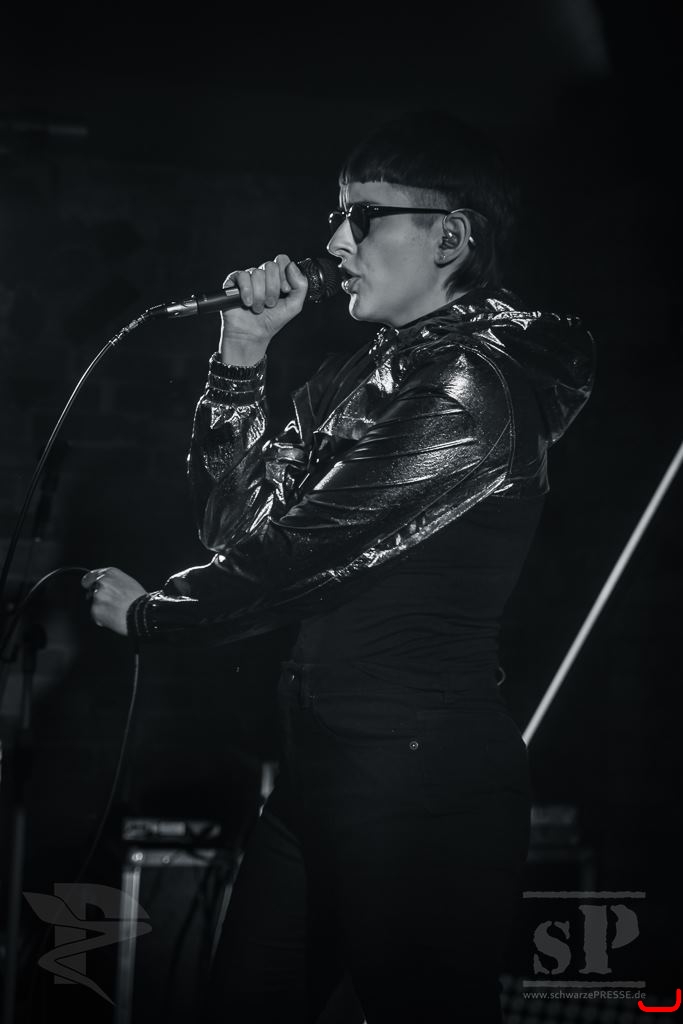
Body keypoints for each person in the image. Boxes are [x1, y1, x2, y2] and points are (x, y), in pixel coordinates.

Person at [81, 109, 595, 1022]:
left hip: (419, 785)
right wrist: (243, 352)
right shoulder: (358, 376)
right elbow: (234, 528)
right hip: (322, 777)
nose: (333, 243)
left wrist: (155, 616)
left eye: (363, 217)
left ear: (450, 238)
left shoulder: (470, 386)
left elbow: (301, 555)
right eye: (336, 214)